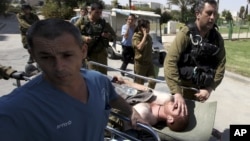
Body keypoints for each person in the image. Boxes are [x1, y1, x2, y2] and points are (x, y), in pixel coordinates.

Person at [0, 18, 147, 141]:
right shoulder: (15, 109)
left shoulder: (98, 81)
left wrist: (131, 111)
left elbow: (112, 97)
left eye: (67, 55)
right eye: (46, 57)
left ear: (83, 51)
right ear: (33, 55)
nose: (59, 67)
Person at [164, 0, 226, 117]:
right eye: (209, 13)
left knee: (196, 118)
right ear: (198, 14)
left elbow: (221, 64)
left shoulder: (216, 39)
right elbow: (170, 62)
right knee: (179, 120)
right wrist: (176, 92)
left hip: (201, 89)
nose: (212, 17)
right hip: (182, 89)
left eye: (215, 14)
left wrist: (209, 88)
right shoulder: (186, 34)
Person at [111, 76, 189, 132]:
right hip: (117, 86)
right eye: (179, 106)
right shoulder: (166, 98)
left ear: (170, 119)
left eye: (176, 109)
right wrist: (125, 81)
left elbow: (115, 120)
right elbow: (146, 89)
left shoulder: (144, 116)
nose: (176, 104)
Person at [75, 2, 116, 75]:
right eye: (97, 12)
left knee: (103, 75)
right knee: (91, 75)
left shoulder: (104, 23)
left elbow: (113, 36)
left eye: (100, 12)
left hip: (101, 54)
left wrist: (108, 36)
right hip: (89, 54)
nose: (99, 14)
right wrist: (84, 38)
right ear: (91, 11)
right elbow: (72, 33)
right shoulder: (83, 21)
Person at [132, 19, 156, 89]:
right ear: (142, 28)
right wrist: (145, 36)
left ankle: (149, 93)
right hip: (140, 64)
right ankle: (138, 97)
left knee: (153, 81)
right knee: (139, 85)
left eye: (149, 27)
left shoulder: (149, 37)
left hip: (149, 63)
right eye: (147, 27)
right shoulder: (136, 36)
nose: (149, 29)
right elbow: (139, 47)